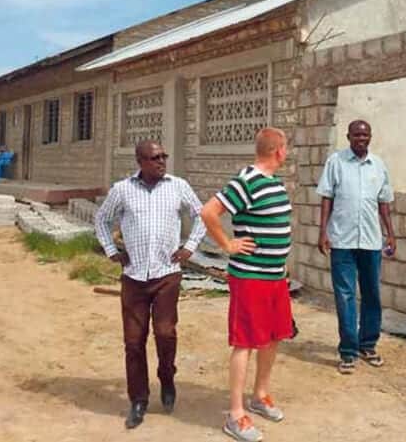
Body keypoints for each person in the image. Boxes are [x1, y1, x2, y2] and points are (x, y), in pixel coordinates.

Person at [95, 140, 206, 429]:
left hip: (167, 274)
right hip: (134, 277)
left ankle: (167, 378)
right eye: (155, 158)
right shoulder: (123, 190)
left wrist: (189, 247)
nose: (161, 161)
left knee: (165, 333)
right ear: (140, 162)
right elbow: (101, 219)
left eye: (163, 156)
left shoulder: (178, 186)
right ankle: (138, 399)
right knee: (134, 341)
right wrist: (112, 250)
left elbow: (202, 215)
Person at [201, 127, 293, 442]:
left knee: (273, 337)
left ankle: (260, 395)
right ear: (278, 150)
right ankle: (236, 414)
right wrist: (228, 244)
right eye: (286, 147)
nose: (287, 152)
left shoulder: (273, 182)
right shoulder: (246, 182)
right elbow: (209, 212)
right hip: (251, 277)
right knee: (245, 342)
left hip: (275, 276)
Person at [316, 120, 395, 375]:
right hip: (342, 240)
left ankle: (367, 345)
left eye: (365, 134)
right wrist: (323, 232)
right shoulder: (336, 162)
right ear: (348, 136)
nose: (362, 138)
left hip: (371, 240)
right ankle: (348, 352)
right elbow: (327, 198)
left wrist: (390, 234)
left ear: (370, 137)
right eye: (357, 135)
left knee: (372, 293)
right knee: (345, 295)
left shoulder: (378, 165)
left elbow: (384, 202)